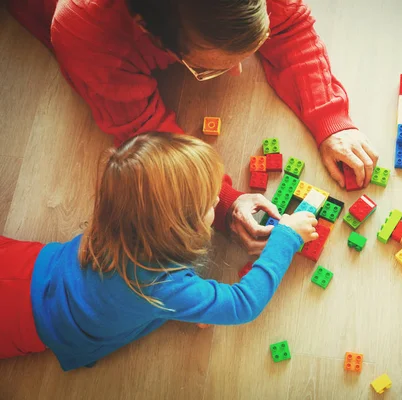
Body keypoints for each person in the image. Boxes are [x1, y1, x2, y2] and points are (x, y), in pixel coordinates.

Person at [7, 0, 379, 253]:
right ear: (149, 30)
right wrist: (223, 201)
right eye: (210, 68)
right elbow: (146, 133)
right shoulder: (87, 33)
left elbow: (291, 26)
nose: (236, 72)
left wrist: (330, 120)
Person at [0, 132, 318, 371]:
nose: (217, 204)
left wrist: (197, 304)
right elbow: (243, 304)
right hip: (26, 323)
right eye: (211, 204)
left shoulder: (121, 215)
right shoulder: (162, 287)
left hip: (27, 263)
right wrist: (286, 239)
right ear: (180, 228)